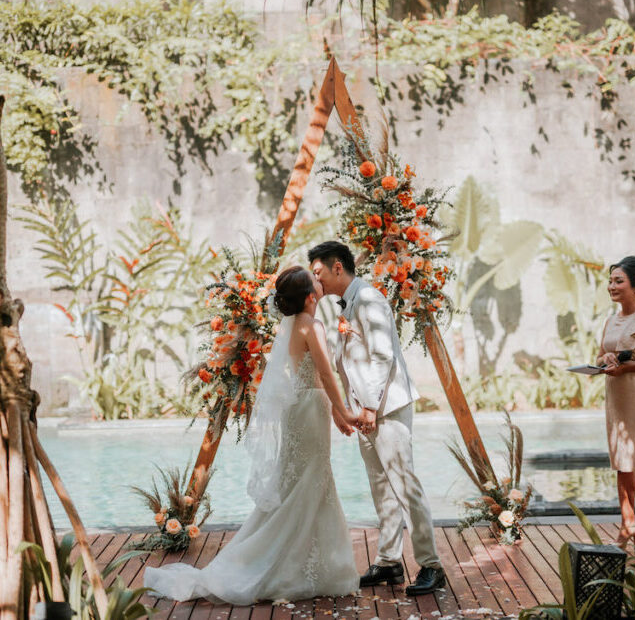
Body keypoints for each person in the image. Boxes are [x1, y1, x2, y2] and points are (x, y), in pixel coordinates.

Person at [144, 266, 360, 604]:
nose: (320, 282)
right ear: (309, 296)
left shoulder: (292, 326)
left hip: (300, 408)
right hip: (309, 410)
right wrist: (343, 409)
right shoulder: (311, 325)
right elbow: (325, 373)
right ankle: (296, 568)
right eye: (315, 281)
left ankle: (304, 566)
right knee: (309, 483)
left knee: (300, 485)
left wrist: (334, 409)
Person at [308, 241, 445, 596]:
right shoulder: (347, 304)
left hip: (387, 407)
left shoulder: (368, 299)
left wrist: (369, 406)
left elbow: (382, 357)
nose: (316, 280)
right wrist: (351, 408)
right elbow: (350, 360)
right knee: (381, 486)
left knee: (404, 484)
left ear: (338, 267)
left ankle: (431, 565)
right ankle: (389, 562)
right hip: (365, 410)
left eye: (318, 272)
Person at [596, 255, 635, 549]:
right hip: (616, 399)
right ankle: (626, 524)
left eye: (618, 281)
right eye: (611, 281)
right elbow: (598, 356)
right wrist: (604, 359)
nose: (611, 286)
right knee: (622, 462)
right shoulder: (611, 320)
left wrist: (628, 367)